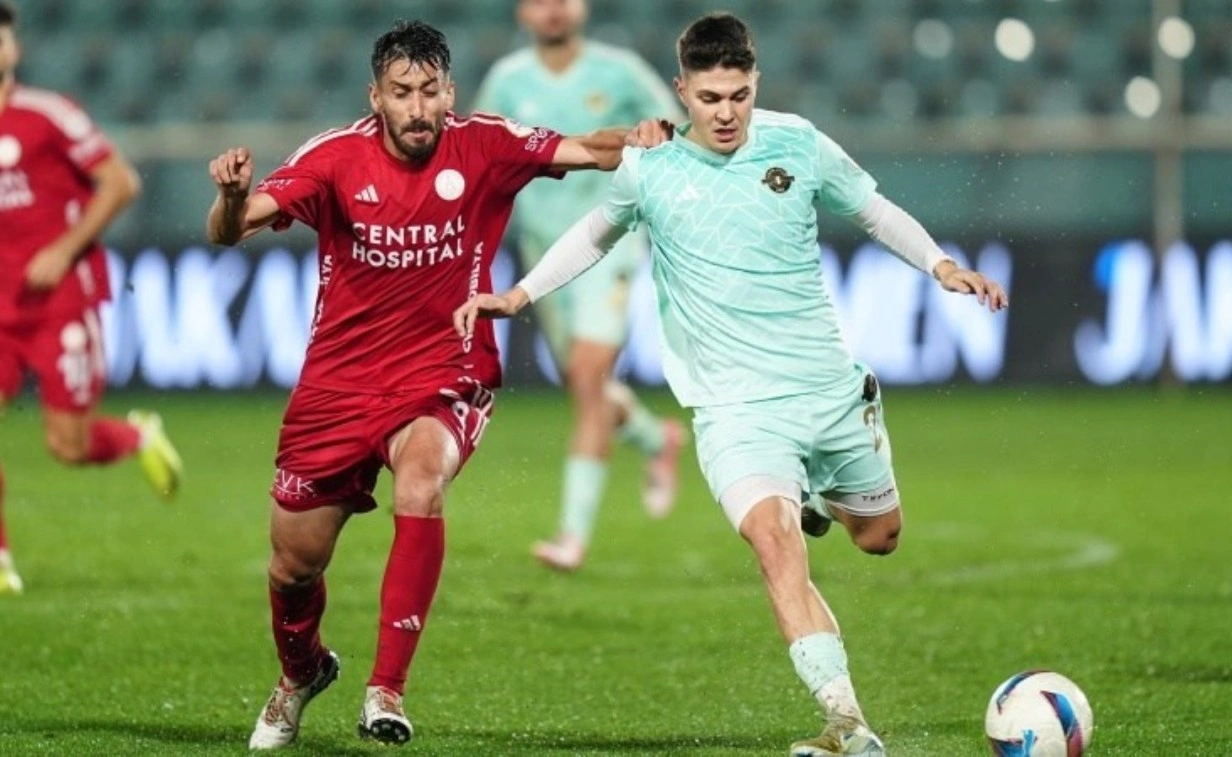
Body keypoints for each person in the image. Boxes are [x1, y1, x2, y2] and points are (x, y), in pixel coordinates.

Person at [455, 12, 1008, 757]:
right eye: (710, 98)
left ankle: (822, 493)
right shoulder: (651, 166)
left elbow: (872, 210)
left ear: (756, 86)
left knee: (880, 539)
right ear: (682, 90)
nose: (725, 113)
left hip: (826, 389)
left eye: (739, 96)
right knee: (775, 544)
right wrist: (520, 294)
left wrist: (941, 265)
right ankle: (846, 722)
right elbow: (595, 233)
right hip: (733, 410)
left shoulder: (798, 143)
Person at [206, 20, 667, 750]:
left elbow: (588, 148)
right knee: (294, 566)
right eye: (402, 92)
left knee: (421, 483)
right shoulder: (334, 158)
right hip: (338, 386)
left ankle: (386, 689)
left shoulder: (485, 143)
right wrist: (232, 197)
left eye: (429, 91)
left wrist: (644, 138)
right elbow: (229, 231)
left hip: (443, 373)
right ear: (376, 97)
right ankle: (301, 672)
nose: (417, 108)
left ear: (450, 92)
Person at [475, 0, 686, 572]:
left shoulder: (620, 72)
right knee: (585, 385)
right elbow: (479, 155)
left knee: (590, 381)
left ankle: (572, 536)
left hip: (610, 242)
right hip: (543, 251)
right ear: (523, 13)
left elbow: (675, 129)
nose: (553, 11)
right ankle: (656, 438)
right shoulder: (507, 81)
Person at [0, 0, 183, 597]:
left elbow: (121, 182)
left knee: (67, 445)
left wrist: (62, 249)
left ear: (13, 48)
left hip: (61, 300)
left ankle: (137, 437)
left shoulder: (47, 115)